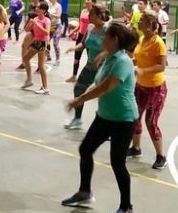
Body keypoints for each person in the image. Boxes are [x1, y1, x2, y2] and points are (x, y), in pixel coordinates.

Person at [62, 23, 139, 213]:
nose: (102, 39)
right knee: (86, 149)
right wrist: (84, 94)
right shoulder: (110, 57)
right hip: (105, 116)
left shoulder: (122, 61)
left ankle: (126, 206)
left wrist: (79, 100)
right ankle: (84, 192)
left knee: (117, 163)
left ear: (115, 40)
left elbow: (106, 87)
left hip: (123, 119)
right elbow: (97, 83)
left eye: (106, 37)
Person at [128, 13, 169, 169]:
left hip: (156, 88)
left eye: (142, 21)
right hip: (140, 87)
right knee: (134, 117)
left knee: (151, 122)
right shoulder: (141, 39)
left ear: (151, 25)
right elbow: (137, 59)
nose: (139, 22)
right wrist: (128, 61)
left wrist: (143, 71)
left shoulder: (158, 43)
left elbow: (161, 66)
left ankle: (161, 156)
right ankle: (136, 148)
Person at [64, 3, 107, 130]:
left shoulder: (107, 29)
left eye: (91, 14)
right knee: (78, 89)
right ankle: (77, 119)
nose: (89, 16)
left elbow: (114, 47)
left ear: (99, 16)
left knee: (104, 96)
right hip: (89, 66)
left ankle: (108, 127)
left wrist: (102, 56)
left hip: (104, 68)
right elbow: (83, 44)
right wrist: (74, 48)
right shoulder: (89, 27)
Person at [22, 2, 51, 95]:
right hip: (36, 42)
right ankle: (29, 79)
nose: (36, 8)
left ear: (43, 10)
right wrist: (29, 23)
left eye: (38, 7)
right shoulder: (35, 18)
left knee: (41, 65)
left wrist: (37, 24)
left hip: (43, 43)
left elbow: (46, 32)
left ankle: (45, 88)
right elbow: (26, 29)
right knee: (26, 58)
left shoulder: (46, 20)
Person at [67, 0, 94, 83]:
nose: (86, 1)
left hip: (89, 37)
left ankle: (90, 78)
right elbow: (80, 24)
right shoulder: (83, 10)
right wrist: (72, 31)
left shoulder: (94, 12)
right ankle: (74, 76)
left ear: (92, 2)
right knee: (76, 57)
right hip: (80, 36)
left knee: (90, 58)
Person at [48, 0, 63, 65]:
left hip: (57, 26)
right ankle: (48, 56)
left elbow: (58, 16)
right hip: (50, 26)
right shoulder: (49, 5)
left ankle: (57, 59)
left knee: (55, 43)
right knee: (46, 41)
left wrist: (51, 14)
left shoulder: (58, 6)